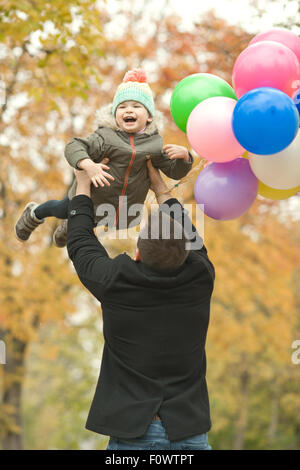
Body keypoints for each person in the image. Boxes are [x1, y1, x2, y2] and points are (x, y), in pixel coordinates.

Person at [67, 158, 215, 451]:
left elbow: (80, 242)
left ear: (137, 254)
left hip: (132, 436)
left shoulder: (114, 281)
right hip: (188, 433)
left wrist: (82, 185)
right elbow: (193, 241)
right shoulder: (201, 277)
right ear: (187, 253)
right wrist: (161, 188)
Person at [14, 69, 193, 247]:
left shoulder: (154, 145)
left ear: (149, 117)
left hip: (121, 208)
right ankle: (34, 213)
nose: (128, 110)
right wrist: (89, 166)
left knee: (98, 219)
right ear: (115, 115)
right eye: (122, 107)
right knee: (62, 209)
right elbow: (74, 146)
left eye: (136, 106)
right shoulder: (105, 137)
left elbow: (174, 172)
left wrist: (184, 158)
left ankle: (71, 224)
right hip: (90, 195)